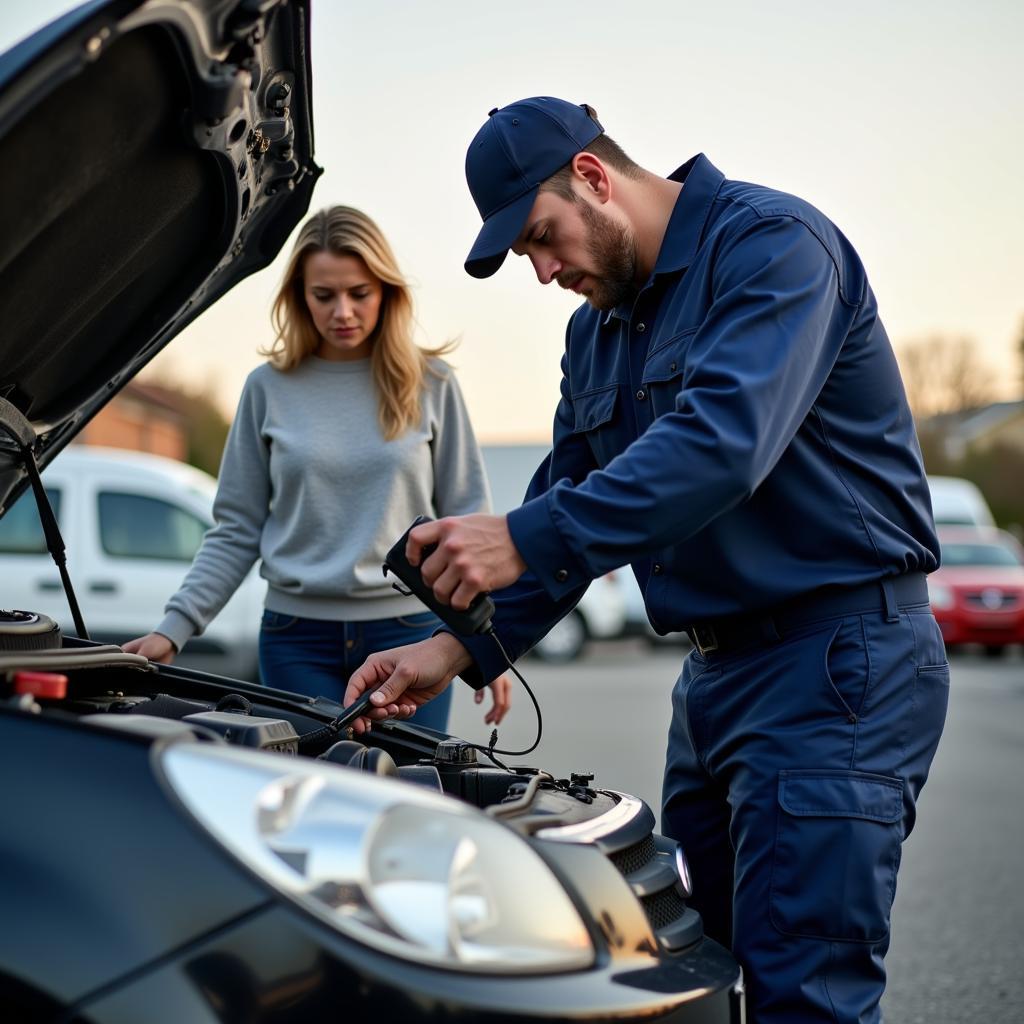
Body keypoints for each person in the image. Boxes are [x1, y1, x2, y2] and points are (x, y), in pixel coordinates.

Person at [342, 98, 948, 1022]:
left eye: (542, 239)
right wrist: (449, 649)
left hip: (836, 667)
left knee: (804, 994)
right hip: (713, 684)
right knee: (701, 972)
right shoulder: (597, 332)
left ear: (593, 177)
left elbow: (721, 446)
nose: (543, 273)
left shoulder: (774, 248)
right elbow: (566, 510)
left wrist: (520, 538)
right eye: (525, 260)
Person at [124, 205, 510, 733]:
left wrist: (480, 642)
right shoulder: (268, 388)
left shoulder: (432, 382)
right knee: (309, 799)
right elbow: (237, 529)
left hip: (410, 633)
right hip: (294, 639)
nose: (342, 311)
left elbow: (467, 522)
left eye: (359, 293)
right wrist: (174, 629)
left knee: (406, 798)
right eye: (323, 295)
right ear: (299, 297)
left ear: (386, 291)